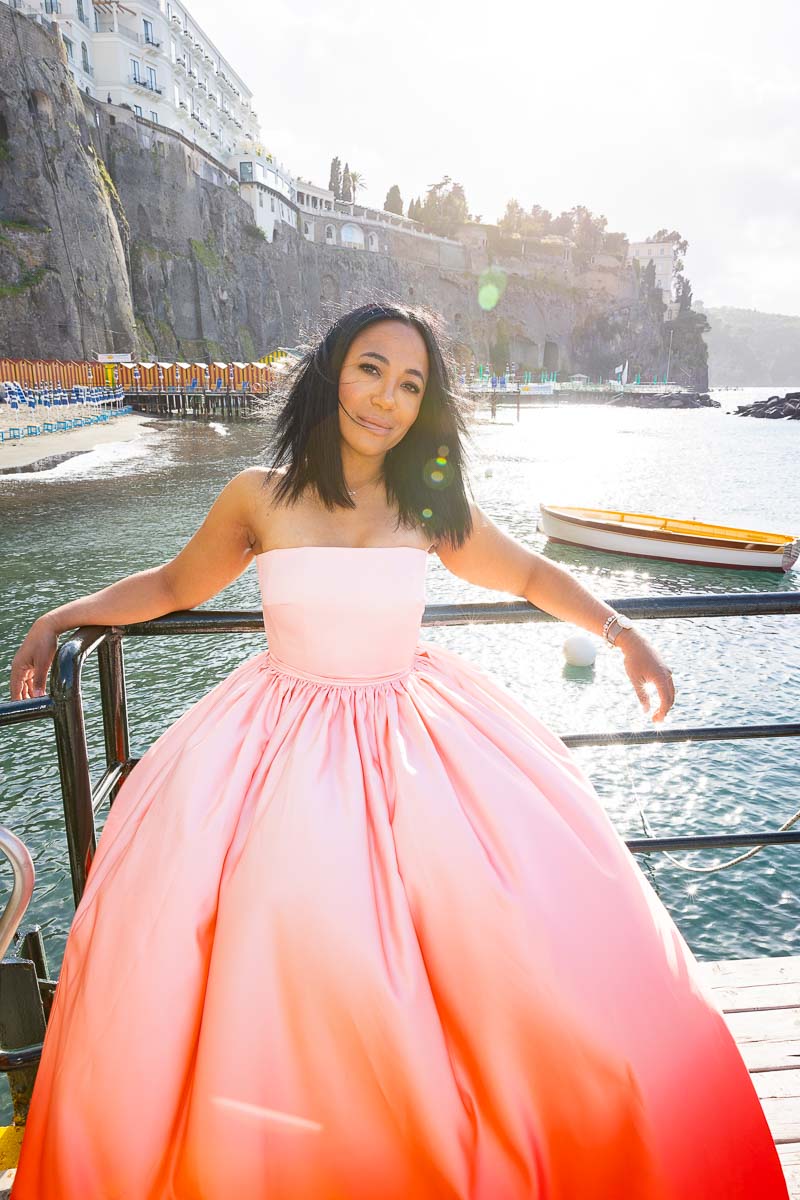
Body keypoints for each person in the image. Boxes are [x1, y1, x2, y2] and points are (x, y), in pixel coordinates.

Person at [9, 303, 788, 1199]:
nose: (387, 398)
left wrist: (623, 633)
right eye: (371, 370)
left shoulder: (430, 501)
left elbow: (528, 572)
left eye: (412, 384)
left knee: (517, 941)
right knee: (281, 948)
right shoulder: (258, 494)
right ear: (331, 372)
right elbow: (175, 585)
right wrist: (63, 614)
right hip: (279, 742)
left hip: (412, 743)